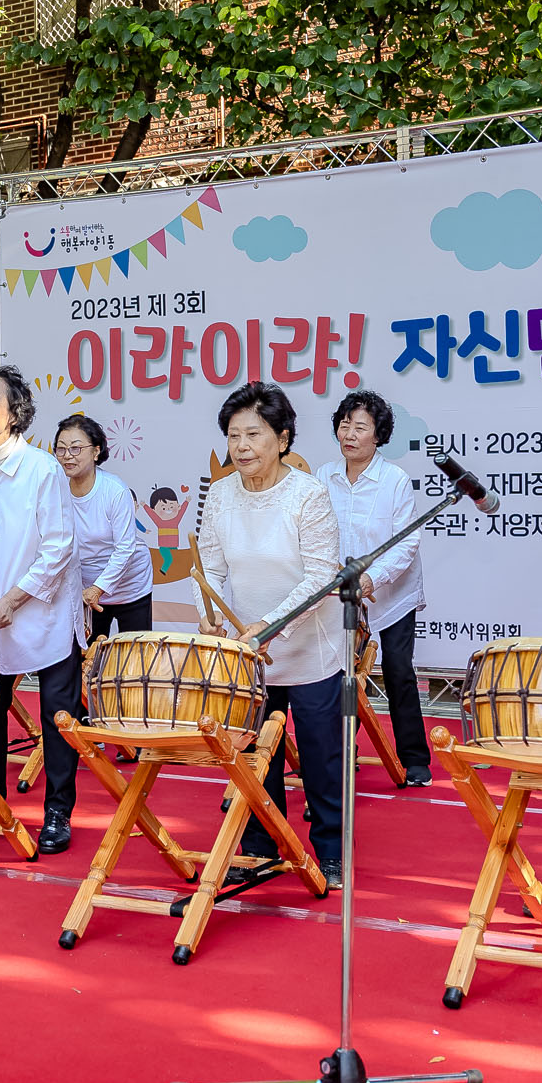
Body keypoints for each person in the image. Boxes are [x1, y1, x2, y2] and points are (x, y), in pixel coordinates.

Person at [198, 380, 349, 889]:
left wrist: (270, 625)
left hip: (309, 652)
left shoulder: (309, 495)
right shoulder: (220, 495)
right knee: (252, 755)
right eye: (234, 436)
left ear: (282, 439)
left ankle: (331, 851)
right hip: (246, 653)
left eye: (254, 435)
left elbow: (320, 576)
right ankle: (265, 844)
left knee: (322, 759)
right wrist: (210, 613)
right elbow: (212, 569)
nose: (242, 447)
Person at [0, 364, 83, 855]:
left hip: (41, 611)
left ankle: (57, 811)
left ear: (14, 413)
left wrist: (14, 597)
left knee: (56, 716)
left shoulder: (42, 469)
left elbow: (59, 548)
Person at [318, 390, 431, 788]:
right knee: (338, 674)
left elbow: (407, 542)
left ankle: (414, 759)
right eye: (344, 424)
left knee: (398, 672)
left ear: (379, 436)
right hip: (341, 595)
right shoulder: (323, 476)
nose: (349, 433)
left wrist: (371, 578)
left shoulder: (394, 480)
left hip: (391, 593)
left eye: (360, 427)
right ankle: (340, 754)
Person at [53, 415, 152, 641]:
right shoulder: (54, 490)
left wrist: (98, 589)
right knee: (89, 659)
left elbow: (125, 549)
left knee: (134, 657)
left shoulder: (115, 491)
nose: (68, 455)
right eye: (61, 449)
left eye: (76, 448)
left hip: (130, 585)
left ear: (96, 452)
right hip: (86, 591)